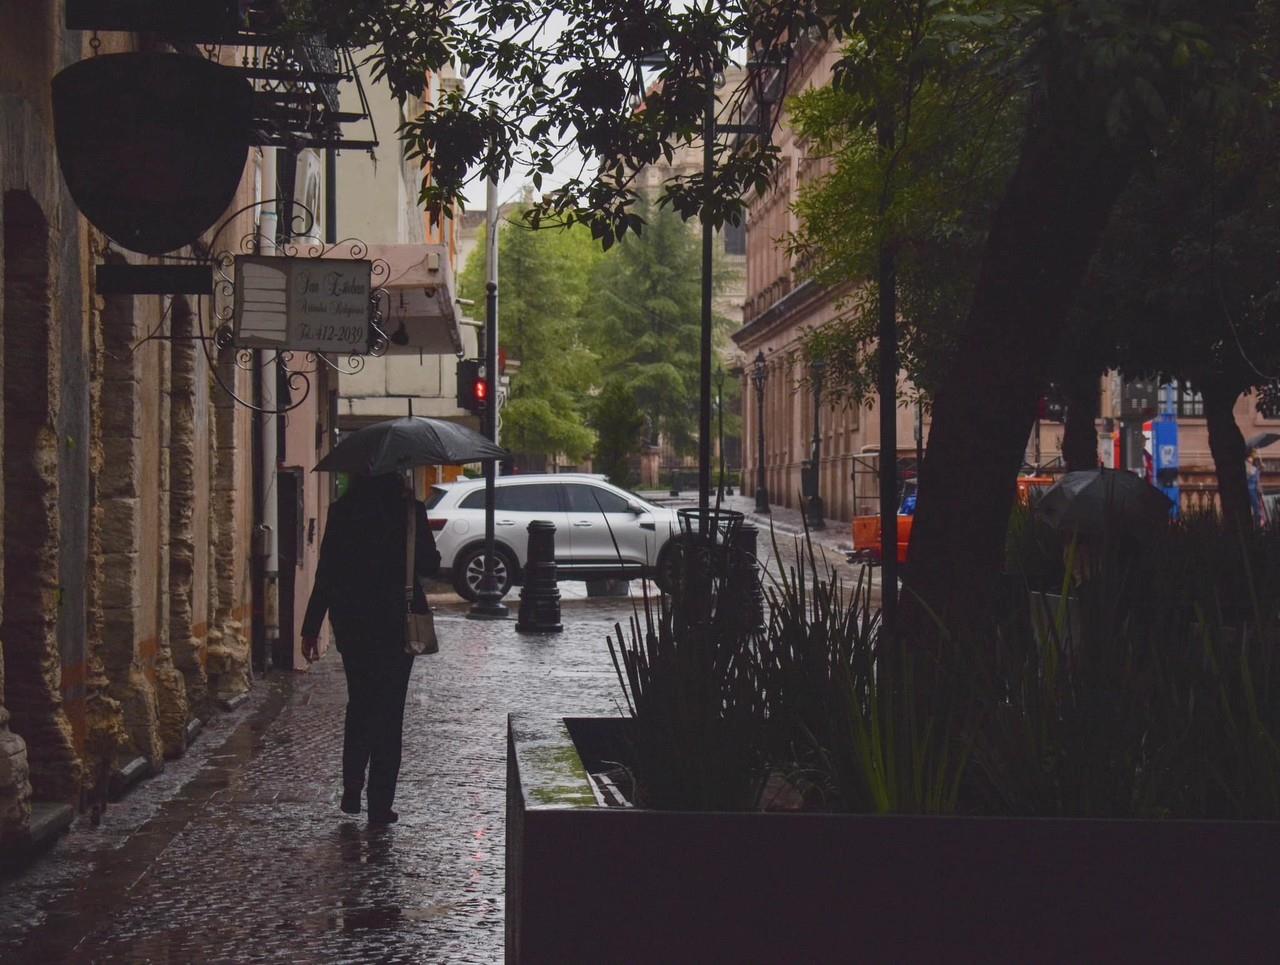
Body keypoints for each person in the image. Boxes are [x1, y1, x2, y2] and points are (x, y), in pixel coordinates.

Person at [301, 472, 440, 825]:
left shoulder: (343, 511)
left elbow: (327, 572)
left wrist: (310, 626)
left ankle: (352, 786)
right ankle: (380, 802)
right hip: (397, 622)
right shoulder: (410, 512)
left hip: (353, 623)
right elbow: (430, 565)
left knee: (360, 703)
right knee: (390, 711)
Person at [1246, 448, 1264, 527]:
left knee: (1257, 508)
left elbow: (1257, 479)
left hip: (1254, 489)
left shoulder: (1256, 467)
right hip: (1250, 489)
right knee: (1254, 508)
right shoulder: (1248, 465)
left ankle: (1257, 523)